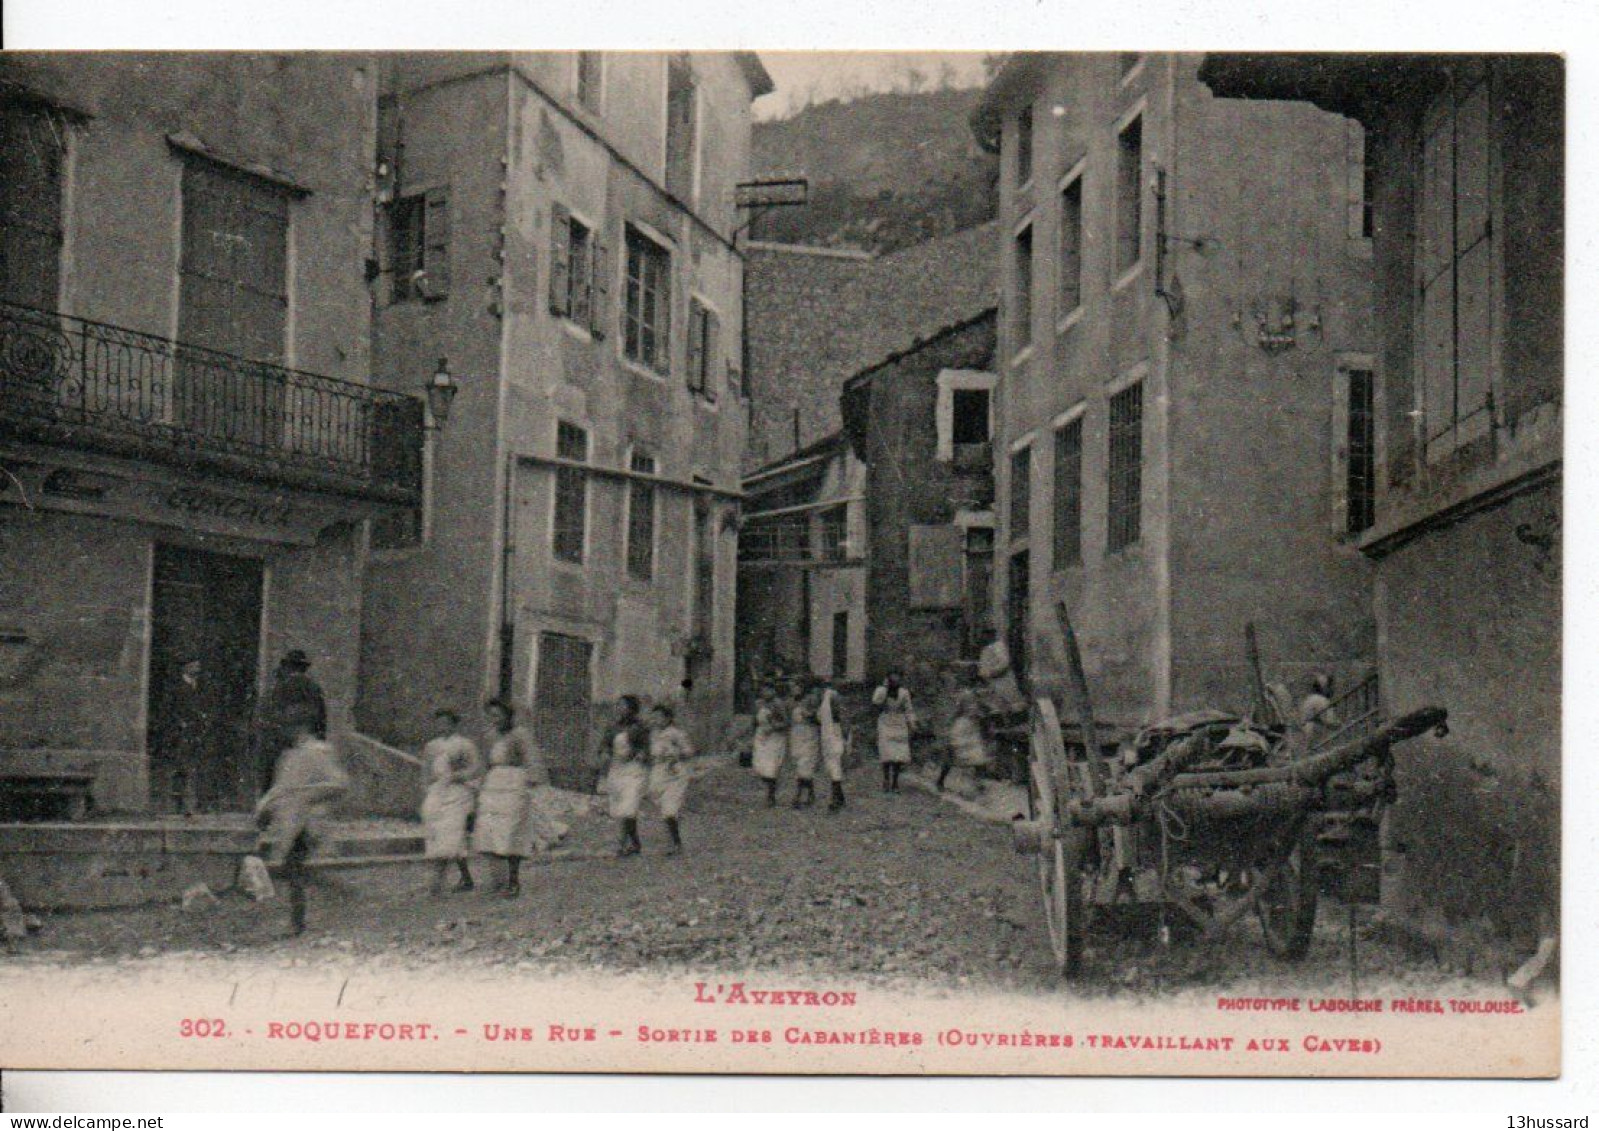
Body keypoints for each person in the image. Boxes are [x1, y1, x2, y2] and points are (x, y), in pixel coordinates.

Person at [254, 716, 349, 936]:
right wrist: (264, 807)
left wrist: (308, 796)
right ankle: (297, 920)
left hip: (308, 821)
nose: (287, 732)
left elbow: (339, 783)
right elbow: (282, 788)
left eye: (292, 727)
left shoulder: (319, 752)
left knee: (293, 867)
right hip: (291, 821)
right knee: (292, 868)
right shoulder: (290, 756)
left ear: (303, 727)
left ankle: (297, 922)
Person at [472, 699, 544, 897]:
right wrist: (479, 784)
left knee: (512, 832)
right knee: (489, 831)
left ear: (507, 715)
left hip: (514, 784)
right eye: (490, 715)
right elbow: (486, 763)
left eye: (498, 715)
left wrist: (531, 780)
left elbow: (532, 759)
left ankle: (514, 881)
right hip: (493, 786)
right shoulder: (489, 736)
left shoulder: (520, 735)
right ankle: (498, 880)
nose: (494, 720)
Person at [420, 709, 481, 895]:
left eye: (446, 723)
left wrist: (457, 776)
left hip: (457, 792)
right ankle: (447, 879)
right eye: (439, 723)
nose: (442, 727)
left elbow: (475, 767)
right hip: (438, 792)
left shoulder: (465, 744)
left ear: (454, 724)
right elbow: (426, 770)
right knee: (437, 833)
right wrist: (427, 787)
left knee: (453, 834)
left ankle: (457, 878)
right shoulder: (432, 746)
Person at [255, 650, 328, 795]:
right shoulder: (313, 688)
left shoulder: (279, 688)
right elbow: (321, 719)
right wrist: (319, 739)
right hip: (304, 743)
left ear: (287, 667)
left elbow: (269, 715)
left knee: (274, 784)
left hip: (280, 744)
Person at [164, 656, 213, 815]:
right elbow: (169, 710)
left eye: (198, 666)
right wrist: (180, 724)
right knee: (181, 767)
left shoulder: (199, 686)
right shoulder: (176, 687)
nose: (197, 669)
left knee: (198, 767)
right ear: (185, 668)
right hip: (182, 733)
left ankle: (198, 804)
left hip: (197, 733)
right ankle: (179, 804)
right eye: (194, 666)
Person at [603, 696, 650, 857]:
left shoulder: (641, 727)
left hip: (634, 770)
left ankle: (620, 845)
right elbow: (605, 746)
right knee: (622, 810)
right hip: (617, 770)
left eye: (623, 706)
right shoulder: (612, 727)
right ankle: (635, 843)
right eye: (618, 705)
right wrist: (604, 755)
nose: (619, 708)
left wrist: (642, 754)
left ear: (632, 708)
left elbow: (647, 746)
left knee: (628, 807)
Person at [645, 703, 694, 855]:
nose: (656, 720)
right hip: (658, 773)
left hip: (675, 773)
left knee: (669, 810)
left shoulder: (676, 733)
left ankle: (675, 843)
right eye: (654, 717)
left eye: (659, 717)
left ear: (668, 718)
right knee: (660, 804)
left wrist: (675, 755)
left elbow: (689, 751)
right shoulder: (652, 734)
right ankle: (671, 837)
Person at [938, 679, 992, 795]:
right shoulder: (965, 695)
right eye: (980, 686)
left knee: (978, 756)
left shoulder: (981, 697)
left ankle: (979, 785)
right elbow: (957, 711)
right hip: (962, 727)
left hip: (972, 728)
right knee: (954, 755)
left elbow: (984, 712)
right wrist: (949, 725)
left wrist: (982, 714)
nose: (983, 690)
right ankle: (940, 781)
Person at [873, 671, 915, 793]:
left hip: (899, 723)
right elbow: (875, 703)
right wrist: (884, 691)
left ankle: (895, 782)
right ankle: (886, 780)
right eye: (892, 681)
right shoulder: (881, 691)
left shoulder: (904, 693)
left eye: (897, 680)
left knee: (898, 755)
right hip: (885, 721)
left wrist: (912, 723)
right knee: (886, 753)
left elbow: (909, 709)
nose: (895, 683)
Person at [751, 683, 789, 808]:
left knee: (771, 767)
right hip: (761, 737)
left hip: (774, 738)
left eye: (767, 690)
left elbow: (786, 722)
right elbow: (754, 722)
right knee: (760, 766)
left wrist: (773, 727)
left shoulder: (778, 704)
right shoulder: (758, 704)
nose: (764, 693)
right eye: (762, 690)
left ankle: (771, 796)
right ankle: (769, 788)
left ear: (773, 690)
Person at [787, 679, 821, 809]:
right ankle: (810, 793)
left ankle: (799, 795)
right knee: (799, 764)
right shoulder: (790, 702)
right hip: (796, 735)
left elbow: (819, 718)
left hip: (809, 734)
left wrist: (809, 715)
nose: (793, 690)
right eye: (792, 687)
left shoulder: (811, 699)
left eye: (796, 687)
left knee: (805, 764)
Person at [817, 677, 847, 813]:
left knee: (834, 762)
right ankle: (840, 796)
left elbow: (842, 716)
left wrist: (845, 736)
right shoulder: (822, 698)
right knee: (832, 763)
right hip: (827, 732)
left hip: (834, 731)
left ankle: (835, 798)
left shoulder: (832, 697)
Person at [1300, 673, 1340, 746]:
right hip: (1316, 732)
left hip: (1305, 731)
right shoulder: (1321, 700)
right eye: (1329, 687)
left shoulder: (1309, 699)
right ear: (1324, 688)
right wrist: (1338, 724)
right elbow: (1329, 720)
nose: (1332, 689)